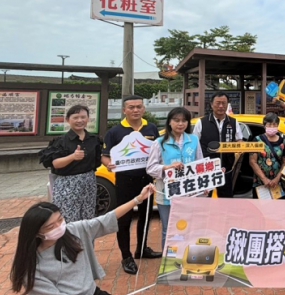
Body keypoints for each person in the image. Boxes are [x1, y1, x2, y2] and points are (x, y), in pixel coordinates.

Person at [9, 183, 155, 295]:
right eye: (50, 226)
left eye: (60, 220)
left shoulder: (72, 231)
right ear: (36, 232)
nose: (59, 227)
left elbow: (106, 219)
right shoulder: (30, 267)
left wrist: (138, 199)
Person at [102, 96, 161, 275]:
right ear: (124, 110)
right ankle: (126, 256)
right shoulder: (114, 132)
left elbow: (159, 152)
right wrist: (108, 164)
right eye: (131, 107)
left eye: (139, 107)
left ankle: (142, 249)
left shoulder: (151, 128)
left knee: (145, 217)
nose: (135, 110)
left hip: (147, 181)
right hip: (124, 182)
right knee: (124, 220)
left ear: (144, 109)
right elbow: (104, 155)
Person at [145, 107, 203, 248]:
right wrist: (167, 168)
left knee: (190, 228)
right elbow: (150, 168)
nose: (180, 124)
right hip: (166, 194)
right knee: (169, 230)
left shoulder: (194, 140)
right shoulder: (159, 143)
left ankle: (187, 259)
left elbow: (200, 164)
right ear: (169, 122)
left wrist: (204, 185)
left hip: (191, 193)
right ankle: (169, 264)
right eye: (176, 120)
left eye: (184, 121)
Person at [39, 105, 102, 222]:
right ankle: (68, 241)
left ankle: (86, 241)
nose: (80, 120)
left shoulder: (94, 140)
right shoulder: (61, 141)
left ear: (88, 119)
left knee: (88, 219)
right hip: (67, 184)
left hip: (89, 182)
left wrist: (111, 163)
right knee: (68, 219)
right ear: (68, 120)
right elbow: (56, 163)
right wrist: (73, 157)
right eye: (75, 117)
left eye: (83, 117)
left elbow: (98, 159)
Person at [193, 92, 244, 198]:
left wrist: (241, 146)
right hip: (206, 171)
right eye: (218, 103)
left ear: (227, 104)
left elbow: (240, 141)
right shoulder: (201, 122)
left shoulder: (234, 122)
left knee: (226, 202)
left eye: (224, 103)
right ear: (212, 105)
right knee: (205, 202)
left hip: (226, 169)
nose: (221, 106)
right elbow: (194, 144)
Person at [248, 112, 285, 198]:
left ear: (278, 126)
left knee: (277, 210)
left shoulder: (284, 142)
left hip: (278, 184)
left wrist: (277, 179)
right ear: (264, 125)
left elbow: (284, 162)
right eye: (269, 125)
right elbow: (252, 161)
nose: (272, 127)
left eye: (274, 125)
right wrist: (264, 179)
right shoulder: (257, 140)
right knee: (260, 210)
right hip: (260, 183)